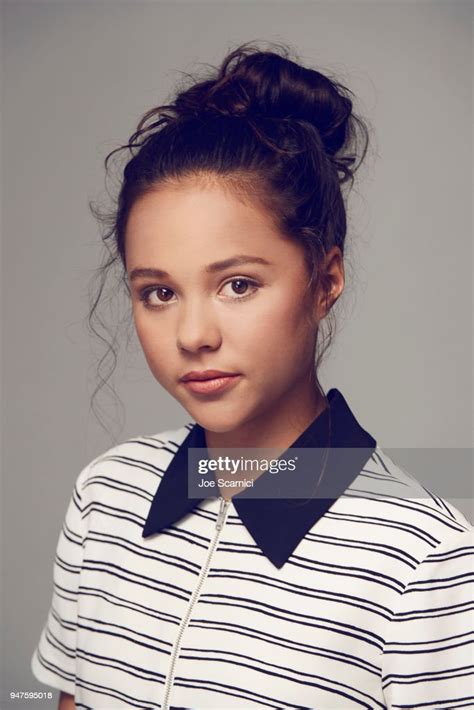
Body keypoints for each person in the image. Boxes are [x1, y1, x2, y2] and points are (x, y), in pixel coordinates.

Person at [31, 42, 473, 710]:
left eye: (238, 284)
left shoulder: (427, 558)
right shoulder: (106, 497)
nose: (193, 334)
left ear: (324, 281)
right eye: (158, 292)